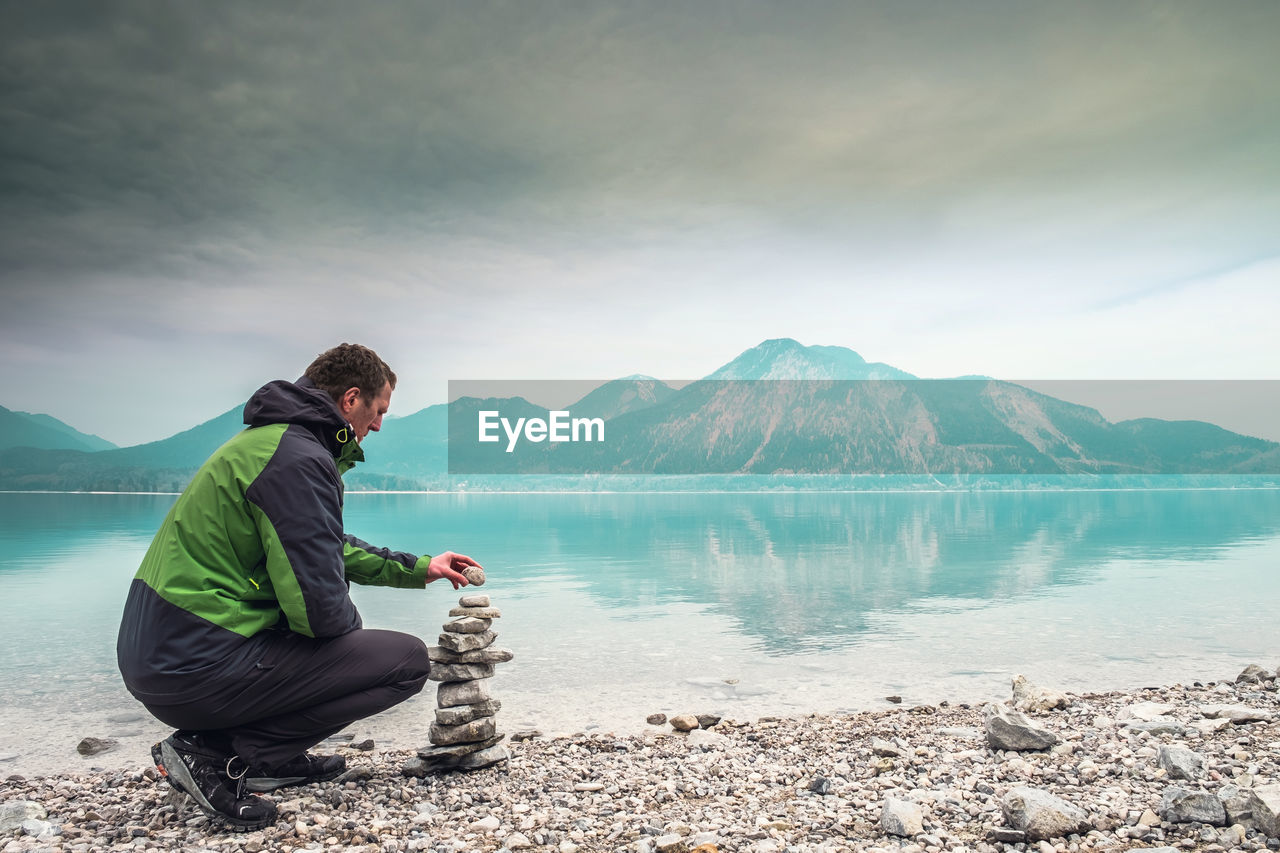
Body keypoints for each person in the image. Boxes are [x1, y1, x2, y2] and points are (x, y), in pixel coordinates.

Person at [116, 343, 480, 830]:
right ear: (351, 399)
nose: (377, 426)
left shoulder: (274, 445)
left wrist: (419, 568)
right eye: (378, 411)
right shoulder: (296, 460)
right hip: (193, 662)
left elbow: (319, 543)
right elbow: (319, 611)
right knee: (401, 663)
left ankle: (268, 758)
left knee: (347, 649)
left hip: (166, 654)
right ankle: (218, 755)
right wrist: (350, 648)